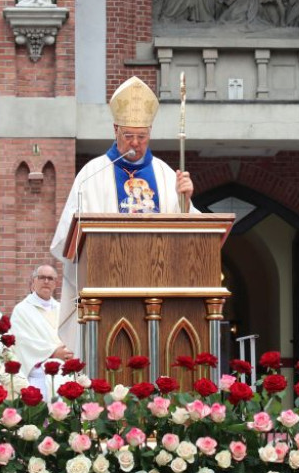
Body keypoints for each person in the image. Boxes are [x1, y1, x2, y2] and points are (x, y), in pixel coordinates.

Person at [50, 76, 195, 355]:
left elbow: (187, 232)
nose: (135, 143)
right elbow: (68, 238)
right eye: (129, 136)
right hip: (106, 287)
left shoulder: (165, 174)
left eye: (142, 137)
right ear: (115, 130)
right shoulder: (93, 173)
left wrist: (185, 201)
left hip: (158, 284)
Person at [10, 264, 74, 395]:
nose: (46, 281)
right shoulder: (22, 310)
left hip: (64, 371)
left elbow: (71, 335)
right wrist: (53, 352)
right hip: (39, 374)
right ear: (33, 281)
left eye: (50, 278)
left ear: (55, 283)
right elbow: (23, 341)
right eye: (42, 277)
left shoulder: (62, 309)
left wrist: (67, 352)